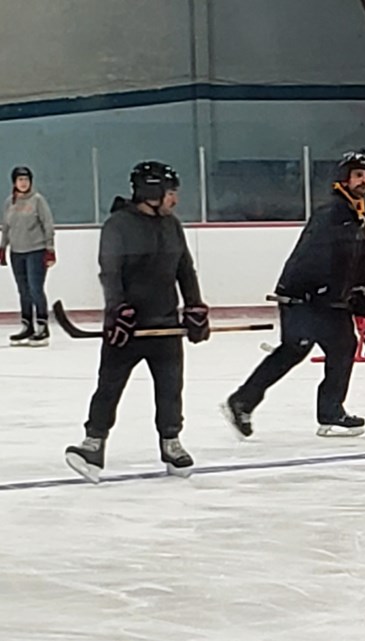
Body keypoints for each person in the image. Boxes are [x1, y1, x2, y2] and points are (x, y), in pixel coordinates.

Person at [64, 161, 210, 484]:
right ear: (152, 192)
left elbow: (185, 269)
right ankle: (93, 443)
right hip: (126, 328)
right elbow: (110, 271)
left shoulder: (172, 225)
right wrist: (117, 310)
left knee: (171, 387)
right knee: (109, 386)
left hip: (165, 324)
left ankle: (171, 442)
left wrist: (195, 307)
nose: (176, 200)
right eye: (171, 193)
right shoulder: (118, 226)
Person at [223, 150, 365, 438]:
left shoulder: (356, 212)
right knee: (307, 349)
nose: (364, 181)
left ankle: (250, 401)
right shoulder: (332, 213)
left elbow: (360, 260)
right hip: (306, 298)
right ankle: (248, 402)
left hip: (327, 299)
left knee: (333, 348)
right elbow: (310, 257)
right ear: (343, 179)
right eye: (358, 175)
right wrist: (319, 291)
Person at [1, 166, 56, 346]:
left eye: (26, 179)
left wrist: (50, 250)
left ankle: (42, 326)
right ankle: (27, 326)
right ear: (14, 183)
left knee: (35, 289)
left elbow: (47, 224)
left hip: (36, 250)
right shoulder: (10, 202)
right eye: (20, 180)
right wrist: (2, 247)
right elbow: (6, 227)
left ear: (30, 182)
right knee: (23, 290)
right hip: (17, 252)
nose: (23, 183)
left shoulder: (38, 200)